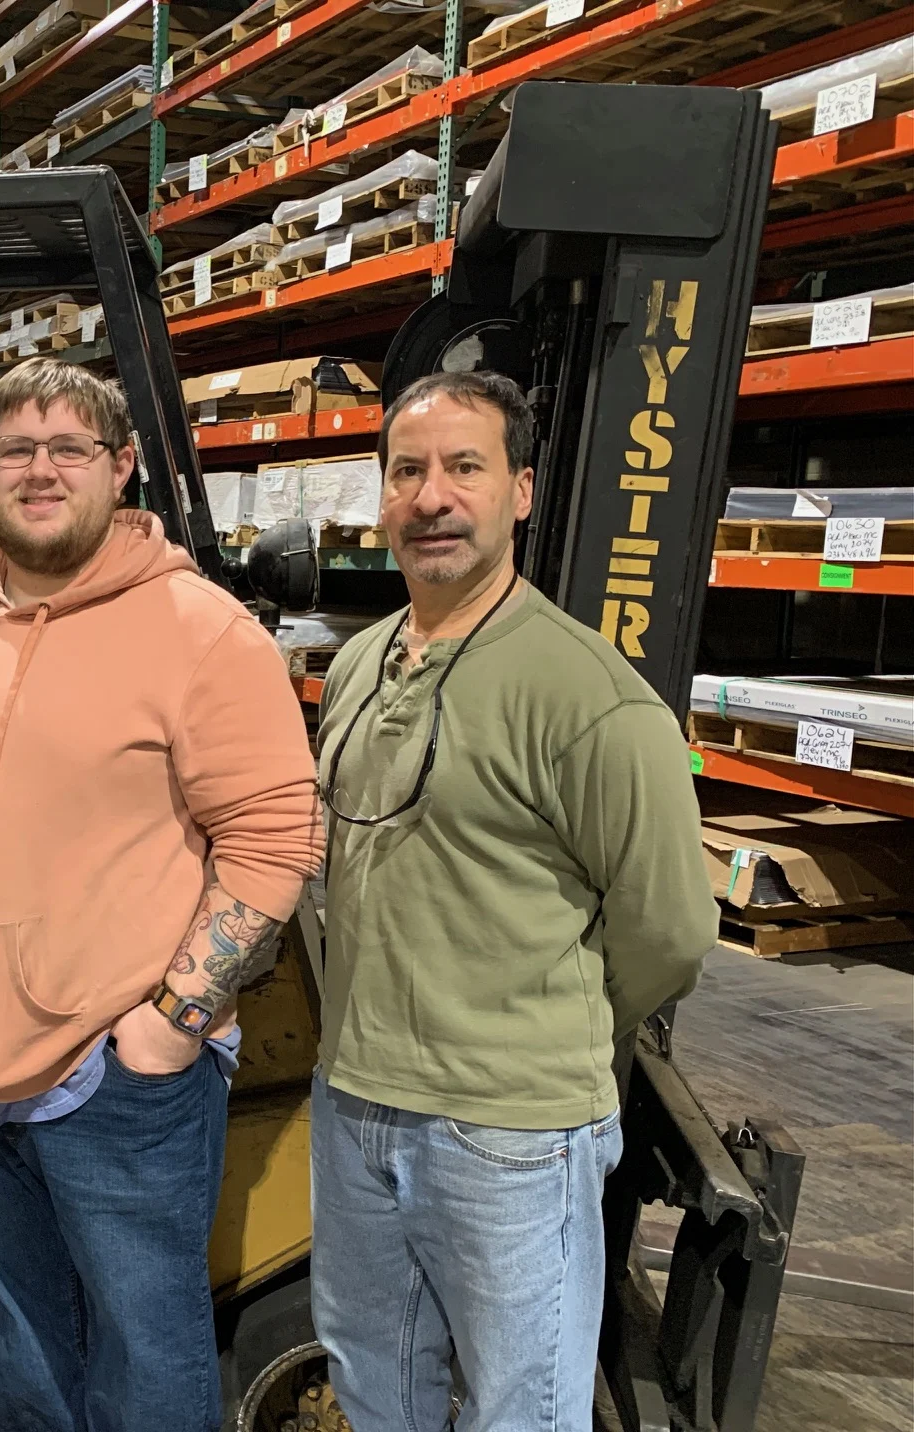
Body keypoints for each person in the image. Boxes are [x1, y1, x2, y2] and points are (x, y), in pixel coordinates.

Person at [0, 358, 324, 1432]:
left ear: (119, 469)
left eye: (69, 448)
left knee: (144, 1357)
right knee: (20, 1352)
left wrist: (173, 1022)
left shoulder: (198, 629)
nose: (40, 470)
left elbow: (272, 837)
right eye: (16, 449)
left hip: (113, 1084)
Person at [310, 371, 717, 1432]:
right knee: (371, 1382)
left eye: (462, 468)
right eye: (407, 471)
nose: (430, 496)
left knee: (518, 1409)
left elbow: (668, 928)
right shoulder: (357, 668)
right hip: (356, 1102)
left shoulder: (589, 696)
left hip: (509, 1130)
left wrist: (541, 1024)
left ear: (521, 491)